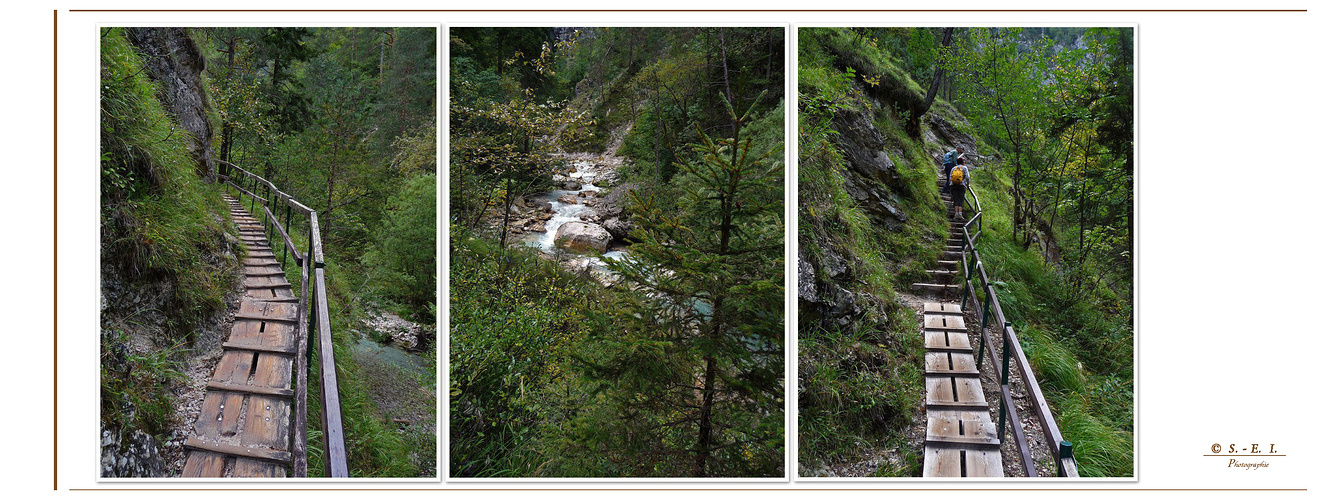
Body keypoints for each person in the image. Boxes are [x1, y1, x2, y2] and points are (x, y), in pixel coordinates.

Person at [948, 155, 970, 221]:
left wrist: (950, 185)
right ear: (963, 162)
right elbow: (967, 177)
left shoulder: (953, 168)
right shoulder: (964, 168)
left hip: (953, 185)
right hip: (961, 185)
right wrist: (968, 184)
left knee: (955, 199)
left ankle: (956, 214)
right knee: (960, 199)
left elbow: (950, 178)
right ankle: (960, 215)